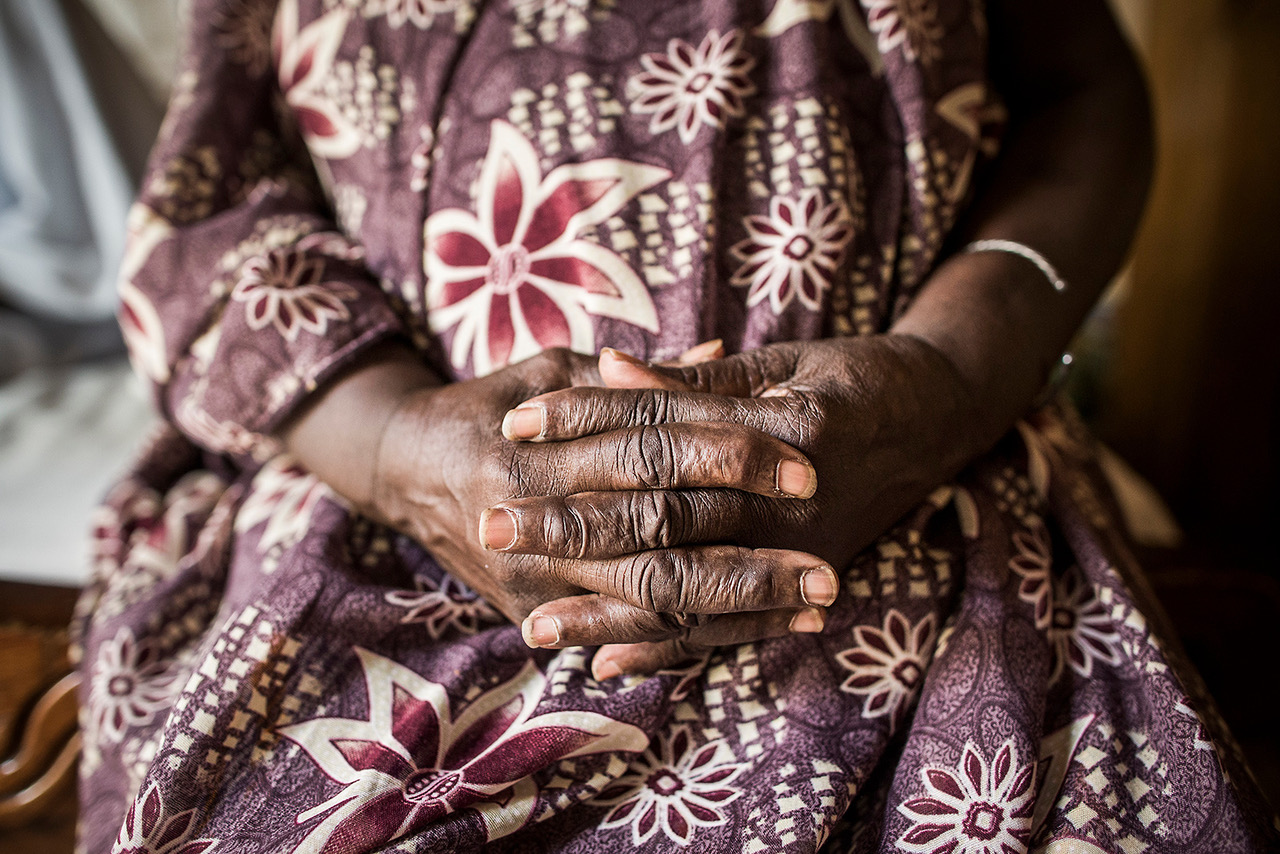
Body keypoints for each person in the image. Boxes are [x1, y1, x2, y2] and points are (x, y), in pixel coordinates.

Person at [75, 0, 1278, 850]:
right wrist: (395, 451)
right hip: (395, 501)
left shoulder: (931, 419)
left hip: (908, 470)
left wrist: (948, 376)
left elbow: (1081, 89)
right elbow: (219, 196)